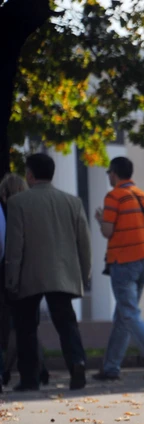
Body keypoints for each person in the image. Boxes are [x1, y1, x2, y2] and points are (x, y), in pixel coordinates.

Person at [4, 153, 91, 391]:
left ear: (30, 175)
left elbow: (15, 245)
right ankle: (77, 362)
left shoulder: (18, 203)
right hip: (62, 273)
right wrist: (85, 274)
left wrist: (11, 279)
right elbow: (84, 242)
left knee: (26, 328)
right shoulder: (72, 202)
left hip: (29, 274)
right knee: (66, 323)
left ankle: (30, 378)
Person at [91, 156, 144, 381]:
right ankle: (110, 367)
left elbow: (107, 231)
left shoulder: (113, 196)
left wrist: (100, 219)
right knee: (123, 315)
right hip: (143, 259)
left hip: (122, 260)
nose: (108, 176)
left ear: (114, 174)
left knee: (129, 313)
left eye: (109, 173)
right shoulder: (142, 196)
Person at [0, 174, 50, 388]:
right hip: (33, 275)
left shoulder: (6, 212)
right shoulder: (33, 211)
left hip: (10, 276)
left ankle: (8, 370)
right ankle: (38, 368)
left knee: (15, 327)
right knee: (27, 326)